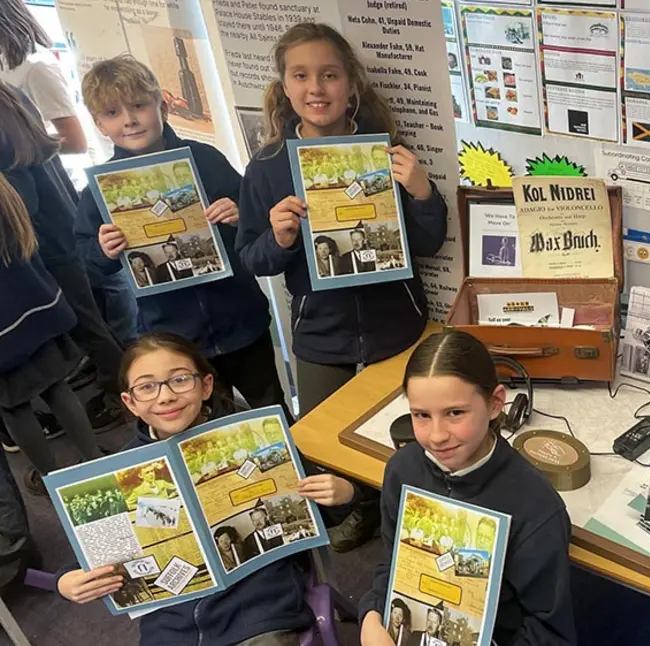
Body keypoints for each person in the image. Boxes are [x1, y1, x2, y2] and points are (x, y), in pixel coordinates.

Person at [237, 23, 447, 550]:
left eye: (329, 75)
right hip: (320, 333)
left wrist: (422, 191)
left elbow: (429, 240)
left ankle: (407, 509)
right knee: (325, 440)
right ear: (284, 88)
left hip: (396, 323)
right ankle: (360, 511)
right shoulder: (265, 168)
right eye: (301, 76)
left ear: (350, 84)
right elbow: (252, 258)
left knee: (405, 433)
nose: (316, 88)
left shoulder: (385, 152)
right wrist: (280, 236)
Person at [56, 331, 357, 646]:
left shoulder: (257, 438)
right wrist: (68, 580)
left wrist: (343, 493)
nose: (166, 396)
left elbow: (325, 511)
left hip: (259, 612)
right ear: (130, 403)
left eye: (180, 379)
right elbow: (86, 551)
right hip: (171, 630)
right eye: (147, 387)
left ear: (206, 385)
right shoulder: (118, 473)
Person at [75, 55, 291, 425]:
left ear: (162, 105)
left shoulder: (205, 159)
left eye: (139, 106)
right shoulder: (99, 191)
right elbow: (88, 262)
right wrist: (103, 251)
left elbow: (255, 218)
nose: (129, 119)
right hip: (174, 336)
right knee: (203, 425)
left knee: (272, 410)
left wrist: (239, 211)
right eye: (113, 112)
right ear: (99, 124)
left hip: (241, 318)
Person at [359, 331, 576, 646]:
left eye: (455, 413)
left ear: (495, 404)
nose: (436, 436)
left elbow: (550, 632)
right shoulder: (401, 470)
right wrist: (370, 616)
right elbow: (391, 564)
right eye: (421, 415)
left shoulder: (536, 507)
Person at [0, 82, 125, 433]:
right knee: (89, 324)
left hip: (45, 242)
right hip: (56, 230)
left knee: (88, 327)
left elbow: (22, 199)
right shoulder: (9, 93)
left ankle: (122, 398)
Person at [0, 166, 103, 499]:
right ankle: (93, 458)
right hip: (35, 302)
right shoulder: (5, 189)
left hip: (3, 326)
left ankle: (50, 476)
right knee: (56, 387)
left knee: (14, 407)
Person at [0, 0, 87, 154]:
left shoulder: (37, 66)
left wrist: (13, 147)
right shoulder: (6, 64)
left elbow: (75, 142)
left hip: (43, 173)